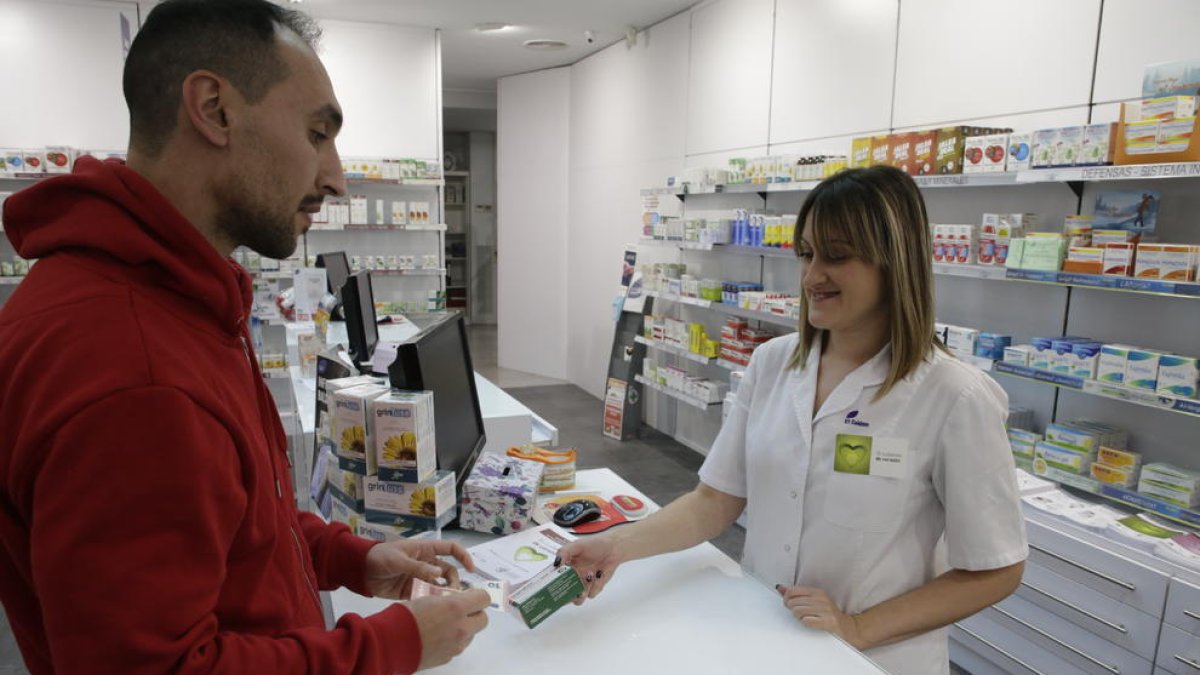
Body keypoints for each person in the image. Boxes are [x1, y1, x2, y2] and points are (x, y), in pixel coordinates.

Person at [0, 1, 489, 673]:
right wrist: (392, 643)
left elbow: (236, 526)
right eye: (319, 133)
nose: (337, 178)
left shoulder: (168, 299)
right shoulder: (133, 371)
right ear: (214, 109)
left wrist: (348, 556)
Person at [557, 166, 1027, 675]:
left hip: (873, 660)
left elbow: (996, 569)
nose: (811, 276)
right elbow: (715, 501)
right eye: (807, 254)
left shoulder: (955, 396)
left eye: (837, 256)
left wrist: (858, 627)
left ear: (895, 261)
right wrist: (617, 546)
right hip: (763, 637)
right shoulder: (774, 363)